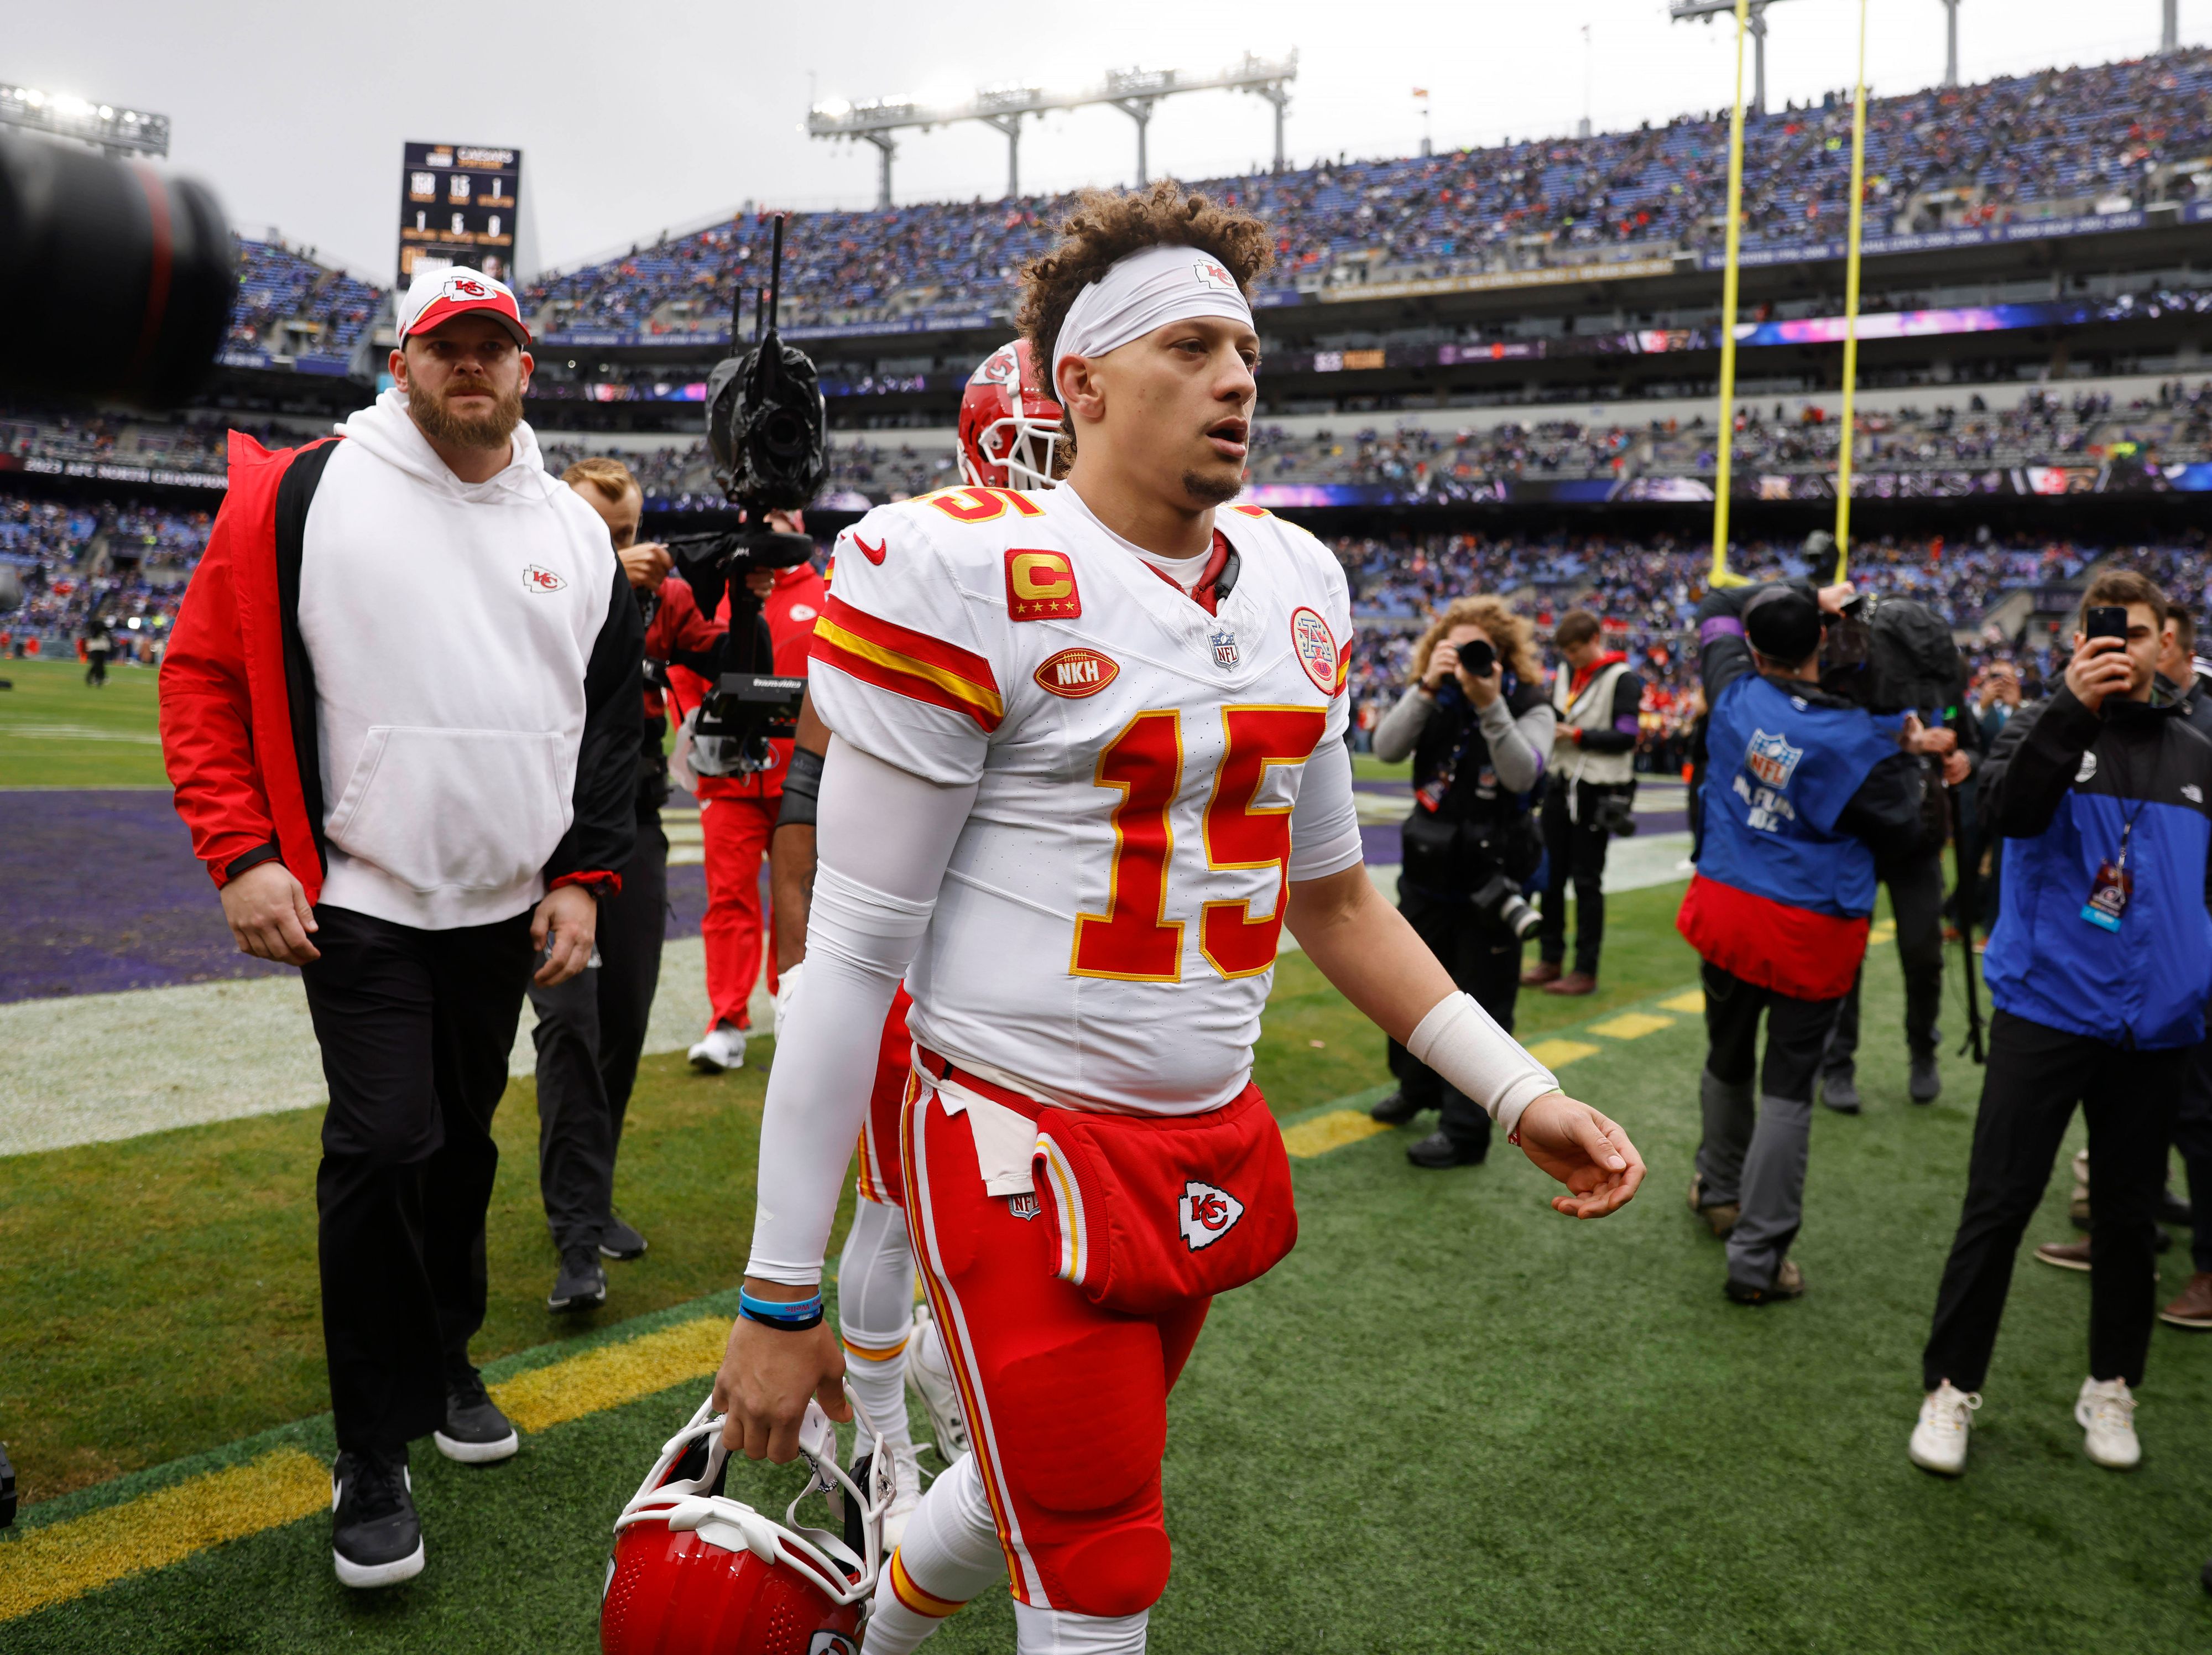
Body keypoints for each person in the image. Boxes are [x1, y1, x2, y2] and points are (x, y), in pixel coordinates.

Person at [711, 184, 1644, 1655]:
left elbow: (1334, 901)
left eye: (1248, 353)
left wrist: (1516, 1089)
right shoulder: (959, 571)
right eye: (1191, 346)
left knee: (1040, 1488)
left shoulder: (1295, 578)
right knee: (1102, 1569)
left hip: (1201, 1141)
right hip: (1020, 1144)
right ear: (1077, 383)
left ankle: (862, 1636)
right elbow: (855, 952)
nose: (1235, 380)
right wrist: (776, 1294)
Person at [159, 265, 642, 1589]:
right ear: (403, 359)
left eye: (494, 347)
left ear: (527, 367)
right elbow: (202, 674)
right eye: (447, 347)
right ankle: (370, 1451)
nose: (470, 367)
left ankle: (443, 1355)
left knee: (458, 1149)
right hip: (359, 899)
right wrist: (243, 853)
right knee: (382, 1145)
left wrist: (583, 875)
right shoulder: (306, 490)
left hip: (505, 906)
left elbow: (608, 721)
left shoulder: (573, 526)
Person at [758, 341, 1063, 1548]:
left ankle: (935, 1387)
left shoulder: (1133, 572)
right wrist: (806, 956)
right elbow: (816, 777)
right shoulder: (926, 562)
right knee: (889, 1209)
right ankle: (880, 1428)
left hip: (1035, 968)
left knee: (1006, 1222)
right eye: (1049, 437)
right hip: (915, 952)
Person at [1909, 571, 2212, 1479]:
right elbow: (2003, 813)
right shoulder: (2039, 726)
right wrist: (2067, 714)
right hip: (2046, 1008)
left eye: (2142, 631)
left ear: (2170, 644)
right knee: (1997, 1206)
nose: (2124, 644)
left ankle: (2112, 1383)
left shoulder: (2201, 745)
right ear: (2077, 641)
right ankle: (1951, 1385)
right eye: (2104, 630)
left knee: (2127, 1217)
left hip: (2156, 1026)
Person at [1677, 579, 1931, 1304]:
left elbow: (1713, 604)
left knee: (1726, 1055)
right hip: (1809, 926)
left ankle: (1719, 1189)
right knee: (1788, 1087)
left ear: (1754, 645)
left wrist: (1799, 595)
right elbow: (1907, 833)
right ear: (1824, 639)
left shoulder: (1731, 690)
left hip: (1728, 908)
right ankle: (1756, 1259)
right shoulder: (1861, 741)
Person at [531, 457, 726, 1314]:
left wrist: (746, 589)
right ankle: (576, 1235)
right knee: (567, 1027)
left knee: (624, 1021)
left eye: (628, 534)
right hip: (540, 833)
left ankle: (590, 1194)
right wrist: (609, 577)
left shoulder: (665, 597)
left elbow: (726, 664)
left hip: (635, 825)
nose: (621, 549)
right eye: (601, 534)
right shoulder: (532, 581)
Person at [1365, 596, 1555, 1167]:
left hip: (1492, 878)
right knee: (1407, 991)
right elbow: (1386, 748)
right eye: (1457, 650)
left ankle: (1466, 1129)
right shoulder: (1433, 694)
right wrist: (1426, 687)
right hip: (1427, 871)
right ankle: (1415, 1089)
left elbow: (1525, 772)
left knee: (1485, 1004)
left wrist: (1491, 705)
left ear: (1503, 655)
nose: (1470, 662)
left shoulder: (1530, 702)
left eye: (1482, 652)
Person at [679, 511, 827, 1074]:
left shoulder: (832, 590)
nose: (772, 525)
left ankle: (792, 1008)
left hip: (802, 776)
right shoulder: (719, 594)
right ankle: (726, 1020)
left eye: (782, 516)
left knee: (800, 900)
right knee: (728, 898)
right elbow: (686, 665)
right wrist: (697, 723)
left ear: (801, 523)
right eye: (761, 519)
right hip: (731, 777)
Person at [1818, 663, 1973, 1113]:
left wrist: (1964, 760)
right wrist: (1903, 743)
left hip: (1918, 843)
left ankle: (1924, 1050)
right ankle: (1838, 1063)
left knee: (1924, 954)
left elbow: (1975, 748)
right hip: (1858, 841)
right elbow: (1834, 741)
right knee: (1847, 957)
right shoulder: (1854, 681)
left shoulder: (1943, 685)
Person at [1525, 608, 1641, 998]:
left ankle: (1585, 969)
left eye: (1577, 650)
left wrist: (1576, 735)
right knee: (1551, 877)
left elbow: (1627, 736)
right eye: (1567, 652)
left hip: (1597, 789)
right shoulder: (1566, 672)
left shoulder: (1623, 679)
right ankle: (1550, 958)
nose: (1572, 657)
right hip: (1562, 784)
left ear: (1596, 638)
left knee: (1587, 881)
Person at [82, 612, 112, 687]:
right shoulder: (96, 625)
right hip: (98, 647)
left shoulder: (94, 625)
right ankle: (97, 677)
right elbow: (97, 633)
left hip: (98, 647)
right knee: (98, 664)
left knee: (98, 664)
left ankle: (96, 678)